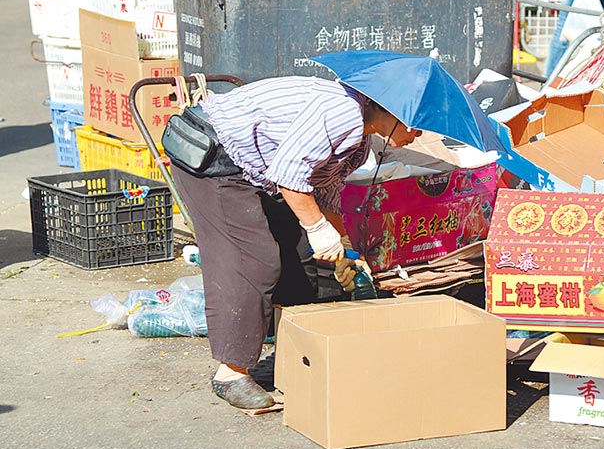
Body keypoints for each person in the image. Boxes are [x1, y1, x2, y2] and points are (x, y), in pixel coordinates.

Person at [168, 76, 422, 409]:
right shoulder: (344, 113)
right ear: (392, 112)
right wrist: (317, 228)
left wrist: (343, 246)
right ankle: (229, 374)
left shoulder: (361, 143)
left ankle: (292, 355)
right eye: (415, 124)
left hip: (260, 169)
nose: (418, 134)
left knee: (301, 255)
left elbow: (323, 193)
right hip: (216, 156)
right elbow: (290, 175)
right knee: (253, 260)